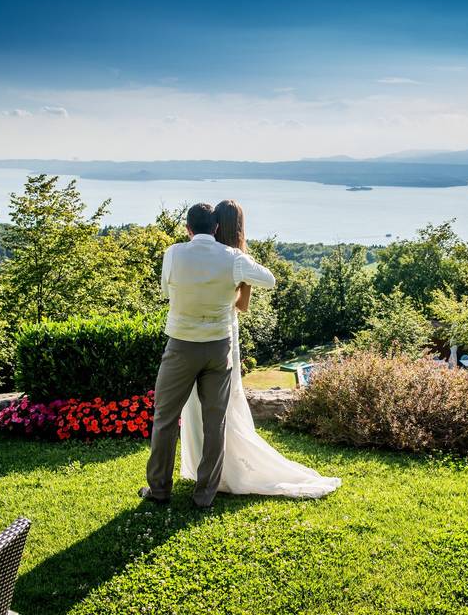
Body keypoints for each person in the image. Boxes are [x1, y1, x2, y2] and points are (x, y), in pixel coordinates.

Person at [178, 200, 341, 500]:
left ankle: (208, 468)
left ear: (214, 226)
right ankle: (219, 471)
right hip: (224, 334)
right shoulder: (236, 259)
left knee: (200, 405)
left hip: (197, 337)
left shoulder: (208, 256)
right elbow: (245, 303)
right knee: (224, 406)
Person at [141, 202, 278, 508]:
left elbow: (165, 290)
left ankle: (159, 489)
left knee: (165, 418)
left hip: (181, 346)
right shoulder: (233, 258)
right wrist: (241, 260)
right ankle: (205, 494)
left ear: (188, 228)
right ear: (215, 228)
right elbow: (268, 279)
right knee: (214, 422)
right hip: (219, 348)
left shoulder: (174, 253)